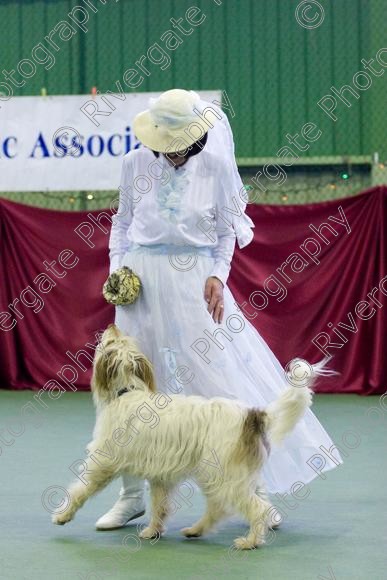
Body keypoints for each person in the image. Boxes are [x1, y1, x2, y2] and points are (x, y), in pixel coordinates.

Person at [95, 89, 342, 530]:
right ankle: (131, 494)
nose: (166, 153)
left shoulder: (216, 166)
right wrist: (117, 270)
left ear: (193, 139)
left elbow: (228, 230)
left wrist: (218, 275)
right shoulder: (133, 163)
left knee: (219, 376)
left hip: (196, 280)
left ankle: (253, 491)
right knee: (126, 386)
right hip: (139, 281)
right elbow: (122, 223)